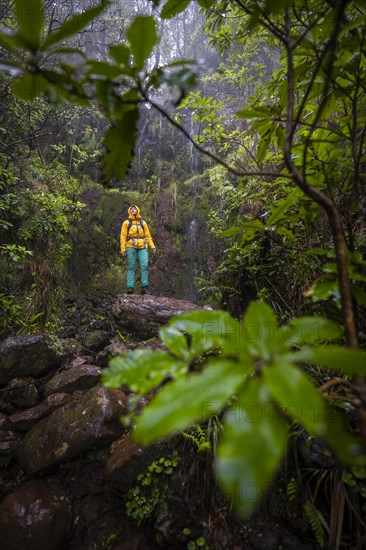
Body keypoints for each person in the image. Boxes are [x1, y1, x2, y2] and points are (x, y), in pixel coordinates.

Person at [120, 205, 156, 294]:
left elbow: (148, 235)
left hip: (142, 246)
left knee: (144, 266)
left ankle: (144, 287)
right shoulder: (126, 223)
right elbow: (123, 236)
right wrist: (123, 249)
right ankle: (130, 287)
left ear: (137, 210)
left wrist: (152, 246)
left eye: (134, 209)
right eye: (131, 209)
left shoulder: (143, 223)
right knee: (131, 266)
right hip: (130, 246)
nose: (133, 210)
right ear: (129, 211)